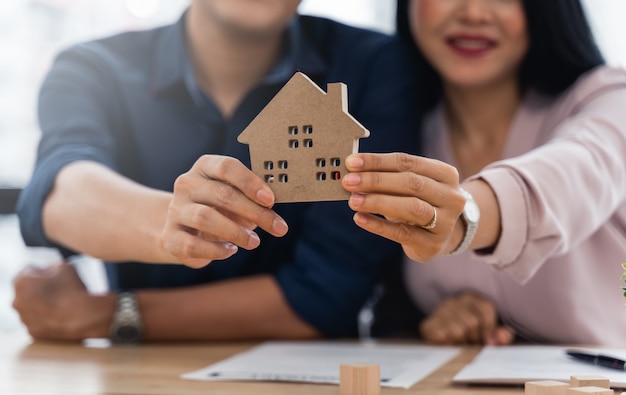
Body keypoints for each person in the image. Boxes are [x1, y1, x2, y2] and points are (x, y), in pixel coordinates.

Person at [12, 0, 422, 342]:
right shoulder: (93, 67)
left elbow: (326, 295)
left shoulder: (374, 63)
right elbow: (60, 188)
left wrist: (110, 314)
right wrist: (173, 221)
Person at [342, 0, 626, 345]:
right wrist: (445, 319)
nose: (474, 13)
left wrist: (465, 217)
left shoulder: (610, 99)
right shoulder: (399, 132)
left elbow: (582, 168)